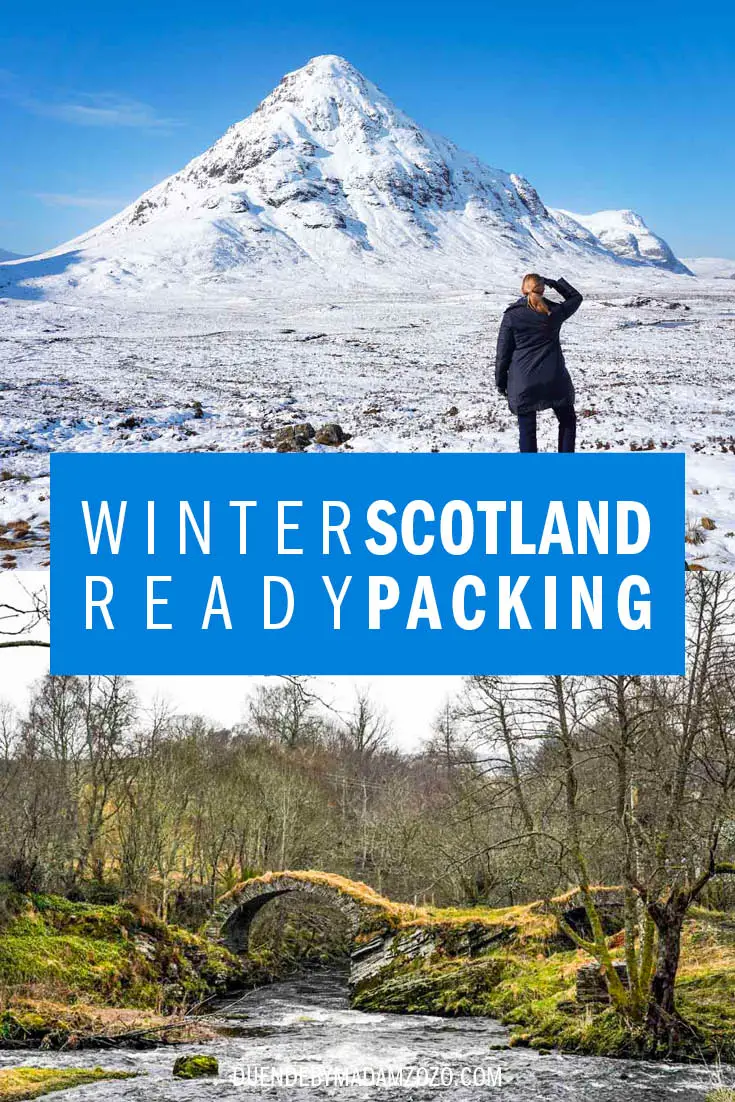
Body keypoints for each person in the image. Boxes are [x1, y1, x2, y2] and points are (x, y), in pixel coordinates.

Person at [495, 274, 583, 453]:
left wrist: (501, 382)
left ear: (523, 289)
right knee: (567, 421)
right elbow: (576, 298)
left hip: (523, 383)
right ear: (542, 290)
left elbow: (502, 354)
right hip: (554, 379)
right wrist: (555, 284)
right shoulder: (554, 312)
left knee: (527, 431)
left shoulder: (512, 316)